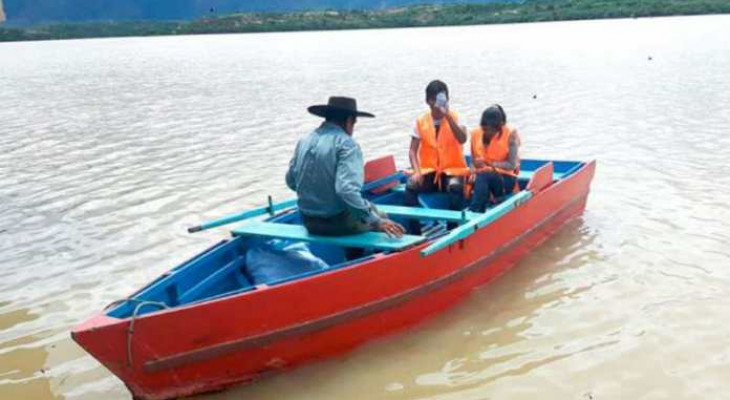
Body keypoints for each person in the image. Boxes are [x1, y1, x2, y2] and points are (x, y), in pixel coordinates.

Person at [286, 96, 405, 238]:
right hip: (336, 223)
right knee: (380, 216)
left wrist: (319, 193)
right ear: (349, 121)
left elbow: (291, 181)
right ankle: (361, 255)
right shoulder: (347, 144)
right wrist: (377, 221)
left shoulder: (304, 141)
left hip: (307, 221)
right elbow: (346, 190)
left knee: (366, 207)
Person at [405, 80, 469, 232]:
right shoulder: (420, 121)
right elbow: (412, 151)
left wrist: (448, 117)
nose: (439, 104)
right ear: (428, 101)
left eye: (443, 99)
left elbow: (463, 139)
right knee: (410, 187)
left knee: (455, 188)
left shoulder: (457, 117)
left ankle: (452, 230)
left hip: (453, 170)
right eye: (435, 100)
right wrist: (417, 172)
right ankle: (415, 234)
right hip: (429, 171)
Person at [469, 104, 521, 212]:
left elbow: (512, 165)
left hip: (505, 178)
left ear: (499, 128)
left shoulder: (511, 135)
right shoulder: (475, 134)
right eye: (484, 129)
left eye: (490, 130)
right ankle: (481, 212)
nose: (487, 133)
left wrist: (490, 164)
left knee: (485, 177)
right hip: (481, 176)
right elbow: (472, 161)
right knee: (479, 179)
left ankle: (474, 211)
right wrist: (473, 170)